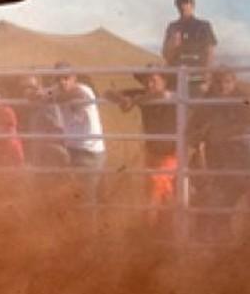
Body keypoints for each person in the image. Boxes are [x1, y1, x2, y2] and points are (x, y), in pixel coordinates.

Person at [109, 68, 180, 232]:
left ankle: (150, 231)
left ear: (164, 81)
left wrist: (135, 100)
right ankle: (166, 230)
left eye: (154, 80)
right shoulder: (144, 94)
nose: (149, 84)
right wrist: (122, 99)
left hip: (171, 153)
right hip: (152, 152)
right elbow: (108, 92)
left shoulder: (170, 95)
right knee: (160, 192)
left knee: (156, 192)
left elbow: (163, 96)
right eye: (147, 81)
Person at [188, 68, 250, 242]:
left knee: (228, 196)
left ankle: (230, 239)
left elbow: (248, 121)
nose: (223, 86)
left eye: (227, 82)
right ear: (213, 84)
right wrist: (201, 135)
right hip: (212, 160)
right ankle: (208, 238)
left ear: (234, 82)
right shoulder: (206, 102)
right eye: (219, 82)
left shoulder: (243, 99)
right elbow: (191, 130)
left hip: (240, 159)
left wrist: (221, 132)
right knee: (212, 197)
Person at [53, 63, 106, 204]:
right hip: (72, 150)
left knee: (86, 198)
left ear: (74, 78)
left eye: (66, 78)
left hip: (90, 152)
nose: (62, 82)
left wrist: (52, 98)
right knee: (72, 195)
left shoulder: (84, 90)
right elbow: (38, 94)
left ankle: (88, 226)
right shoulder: (57, 90)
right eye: (58, 79)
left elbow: (78, 95)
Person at [161, 0, 217, 93]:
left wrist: (207, 78)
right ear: (176, 5)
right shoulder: (172, 27)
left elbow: (210, 53)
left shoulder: (203, 26)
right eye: (179, 2)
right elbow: (166, 55)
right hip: (176, 77)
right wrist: (172, 44)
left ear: (193, 4)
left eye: (186, 2)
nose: (183, 6)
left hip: (197, 77)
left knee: (196, 107)